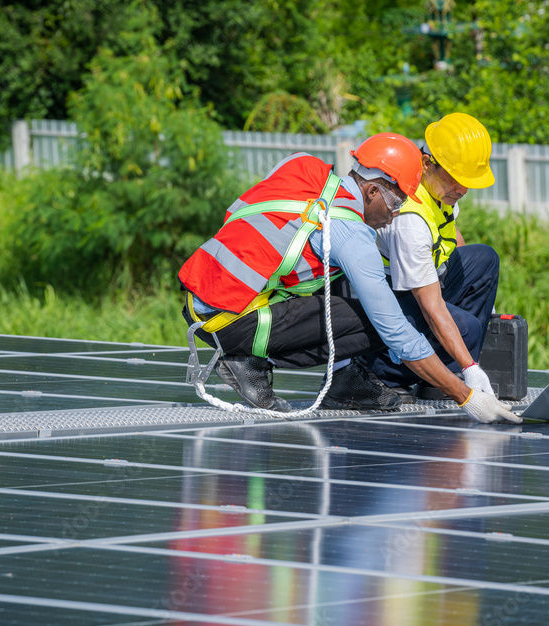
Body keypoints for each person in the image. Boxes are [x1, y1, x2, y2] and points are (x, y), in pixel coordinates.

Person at [177, 132, 519, 424]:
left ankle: (336, 376)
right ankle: (248, 361)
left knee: (334, 284)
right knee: (378, 318)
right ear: (372, 192)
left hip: (201, 304)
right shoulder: (352, 236)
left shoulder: (301, 166)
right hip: (230, 321)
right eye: (396, 204)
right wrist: (466, 396)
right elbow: (396, 333)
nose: (394, 217)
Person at [368, 113, 500, 400]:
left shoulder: (438, 189)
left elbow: (454, 237)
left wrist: (479, 296)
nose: (462, 190)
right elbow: (430, 307)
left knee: (484, 259)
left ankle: (445, 371)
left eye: (467, 182)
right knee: (468, 329)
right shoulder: (409, 220)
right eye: (455, 179)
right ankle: (385, 374)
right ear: (427, 163)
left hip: (421, 283)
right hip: (389, 299)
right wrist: (471, 366)